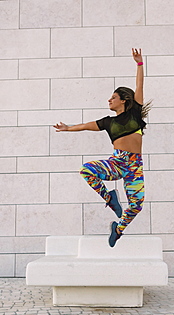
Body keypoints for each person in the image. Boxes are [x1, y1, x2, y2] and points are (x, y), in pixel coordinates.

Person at [53, 48, 152, 247]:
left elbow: (139, 85)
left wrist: (139, 63)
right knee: (86, 170)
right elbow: (84, 126)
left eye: (113, 97)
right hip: (117, 162)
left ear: (123, 100)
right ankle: (110, 198)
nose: (109, 100)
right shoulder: (108, 122)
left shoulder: (134, 114)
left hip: (134, 167)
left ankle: (118, 229)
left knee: (136, 206)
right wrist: (67, 128)